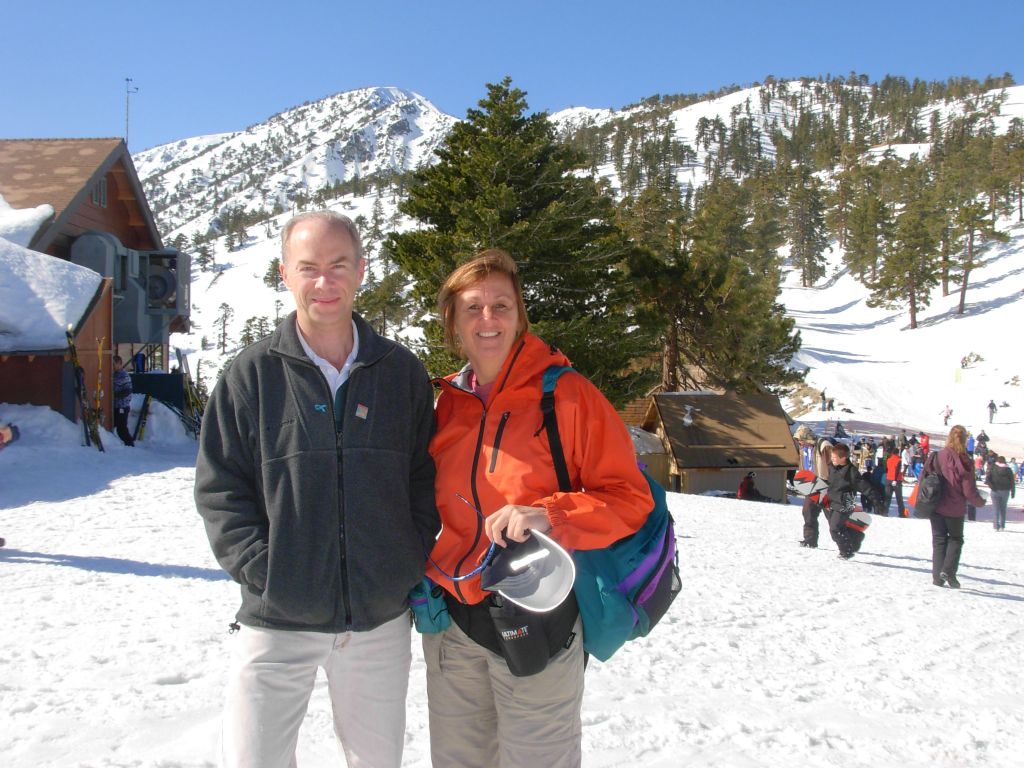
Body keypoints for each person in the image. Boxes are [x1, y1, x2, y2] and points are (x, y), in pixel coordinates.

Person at [194, 211, 440, 768]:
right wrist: (268, 571)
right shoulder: (251, 375)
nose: (324, 283)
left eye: (338, 266)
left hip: (378, 621)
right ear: (285, 273)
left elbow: (424, 481)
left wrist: (403, 561)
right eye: (309, 268)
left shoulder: (399, 372)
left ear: (360, 271)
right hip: (276, 620)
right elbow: (219, 489)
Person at [423, 248, 653, 768]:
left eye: (501, 305)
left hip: (539, 619)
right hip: (455, 627)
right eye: (472, 308)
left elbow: (630, 497)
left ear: (520, 314)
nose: (488, 319)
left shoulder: (566, 396)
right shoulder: (447, 405)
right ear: (452, 324)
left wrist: (550, 514)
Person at [931, 425, 986, 589]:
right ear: (964, 440)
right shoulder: (964, 460)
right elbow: (968, 490)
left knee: (939, 540)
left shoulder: (937, 456)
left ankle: (937, 577)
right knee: (955, 539)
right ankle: (948, 571)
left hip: (936, 504)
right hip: (954, 507)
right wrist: (980, 502)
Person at [826, 443, 882, 558]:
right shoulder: (831, 467)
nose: (832, 459)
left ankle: (847, 552)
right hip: (833, 500)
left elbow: (864, 486)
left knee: (835, 529)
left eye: (834, 457)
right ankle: (856, 537)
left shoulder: (852, 472)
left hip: (846, 502)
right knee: (837, 528)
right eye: (832, 457)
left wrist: (876, 499)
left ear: (843, 458)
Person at [800, 439, 833, 548]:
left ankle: (845, 543)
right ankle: (810, 540)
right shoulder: (804, 450)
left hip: (825, 484)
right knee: (808, 512)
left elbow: (834, 463)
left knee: (833, 517)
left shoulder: (823, 446)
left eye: (801, 440)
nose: (800, 443)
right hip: (812, 484)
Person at [985, 455, 1015, 531]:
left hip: (995, 491)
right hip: (1005, 491)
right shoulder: (1008, 470)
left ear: (997, 461)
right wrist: (1013, 492)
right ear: (1004, 461)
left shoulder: (993, 468)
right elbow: (1012, 481)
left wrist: (992, 486)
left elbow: (987, 479)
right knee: (1003, 509)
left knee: (995, 509)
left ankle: (996, 526)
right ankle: (1002, 526)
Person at [111, 355, 135, 446]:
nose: (113, 366)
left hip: (122, 407)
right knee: (113, 425)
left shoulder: (124, 376)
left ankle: (130, 444)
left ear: (120, 364)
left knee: (121, 428)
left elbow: (127, 391)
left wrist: (115, 395)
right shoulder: (114, 374)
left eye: (114, 364)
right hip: (115, 406)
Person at [882, 447, 907, 517]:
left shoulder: (888, 460)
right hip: (896, 480)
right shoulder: (898, 460)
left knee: (887, 497)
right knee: (899, 498)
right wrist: (895, 480)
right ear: (897, 453)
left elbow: (887, 469)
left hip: (888, 479)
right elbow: (897, 470)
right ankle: (901, 513)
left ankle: (885, 512)